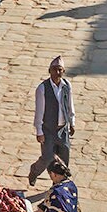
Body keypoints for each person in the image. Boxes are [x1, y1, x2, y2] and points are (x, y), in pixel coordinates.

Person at [30, 56, 74, 184]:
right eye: (55, 69)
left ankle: (58, 184)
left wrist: (72, 122)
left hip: (63, 129)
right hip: (48, 130)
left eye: (60, 70)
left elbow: (70, 105)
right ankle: (34, 171)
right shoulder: (42, 88)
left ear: (63, 71)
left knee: (64, 158)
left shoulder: (66, 86)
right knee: (48, 157)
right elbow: (39, 112)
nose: (57, 72)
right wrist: (39, 131)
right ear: (49, 71)